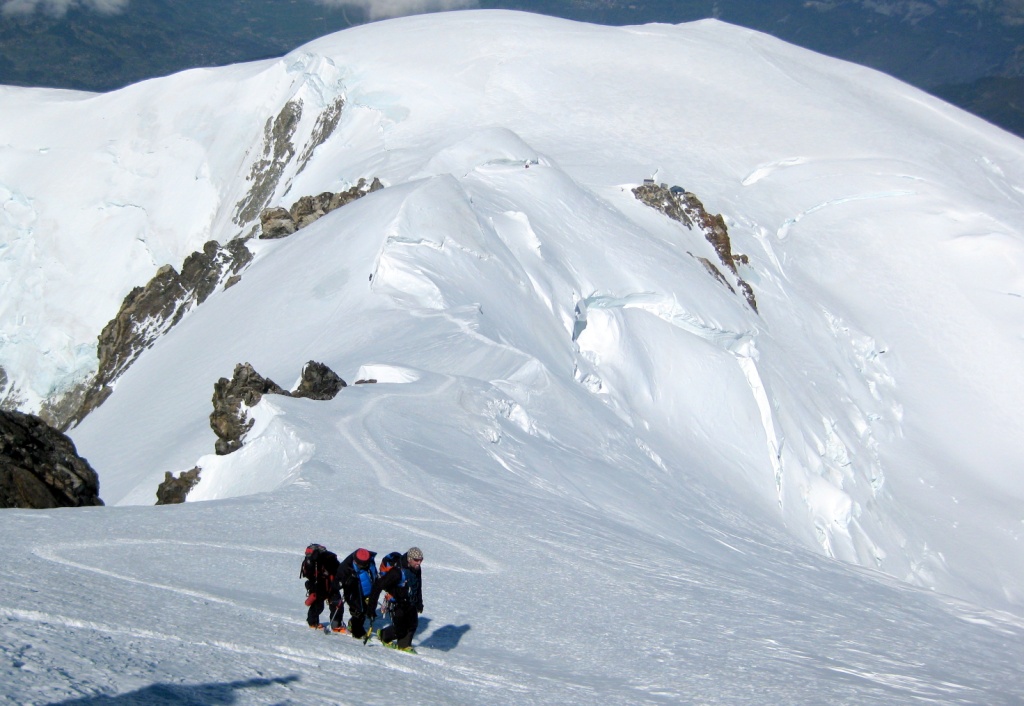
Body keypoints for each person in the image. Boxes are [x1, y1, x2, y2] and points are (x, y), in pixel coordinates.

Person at [370, 547, 424, 652]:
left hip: (410, 600)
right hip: (396, 601)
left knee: (413, 623)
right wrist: (371, 608)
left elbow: (418, 585)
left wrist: (419, 602)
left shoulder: (417, 569)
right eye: (416, 560)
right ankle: (384, 635)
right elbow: (379, 585)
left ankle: (404, 645)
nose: (419, 563)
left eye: (421, 560)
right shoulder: (397, 571)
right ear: (409, 559)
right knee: (400, 627)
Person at [335, 547, 379, 638]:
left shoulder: (369, 559)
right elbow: (337, 583)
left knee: (366, 610)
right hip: (354, 593)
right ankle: (357, 631)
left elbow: (373, 572)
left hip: (368, 590)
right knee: (358, 611)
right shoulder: (345, 568)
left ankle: (354, 624)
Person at [299, 544, 341, 630]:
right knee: (330, 605)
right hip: (324, 586)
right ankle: (333, 625)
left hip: (322, 585)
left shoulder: (312, 561)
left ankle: (315, 622)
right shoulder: (327, 558)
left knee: (323, 604)